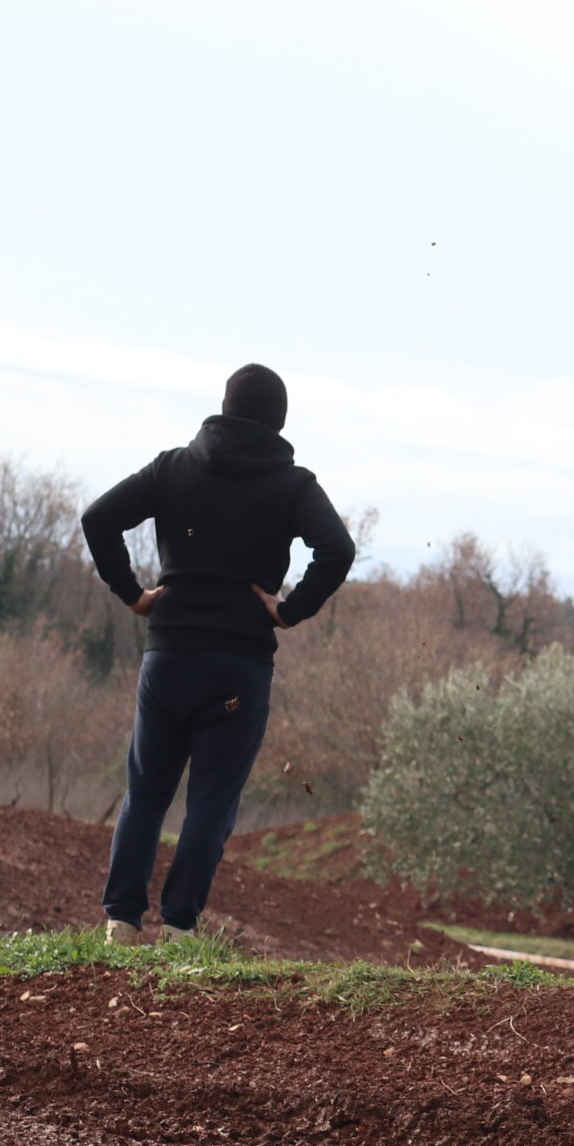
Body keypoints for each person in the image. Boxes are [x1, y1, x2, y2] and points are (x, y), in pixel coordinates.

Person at [81, 364, 355, 944]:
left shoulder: (173, 467)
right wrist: (290, 610)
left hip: (169, 655)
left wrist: (133, 594)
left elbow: (97, 518)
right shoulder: (293, 484)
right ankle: (180, 928)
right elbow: (337, 549)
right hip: (239, 667)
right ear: (280, 421)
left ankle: (121, 922)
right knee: (211, 802)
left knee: (147, 792)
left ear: (224, 408)